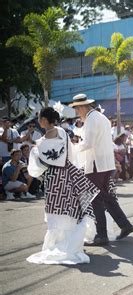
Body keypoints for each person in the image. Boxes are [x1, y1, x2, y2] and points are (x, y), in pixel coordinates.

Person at [26, 107, 99, 264]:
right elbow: (71, 155)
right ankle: (71, 242)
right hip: (69, 173)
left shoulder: (40, 143)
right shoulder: (63, 133)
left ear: (44, 121)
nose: (38, 121)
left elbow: (37, 169)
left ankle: (60, 244)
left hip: (53, 179)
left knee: (56, 210)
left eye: (39, 118)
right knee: (72, 208)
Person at [70, 94, 133, 246]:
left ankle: (103, 234)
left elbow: (88, 143)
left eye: (76, 108)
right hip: (105, 164)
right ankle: (123, 225)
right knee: (105, 197)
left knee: (97, 200)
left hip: (96, 164)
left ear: (82, 107)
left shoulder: (91, 118)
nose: (76, 112)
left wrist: (72, 148)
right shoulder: (101, 117)